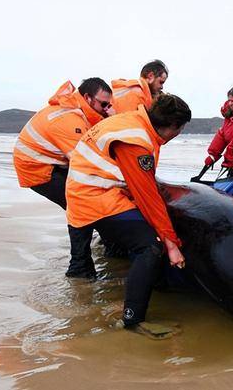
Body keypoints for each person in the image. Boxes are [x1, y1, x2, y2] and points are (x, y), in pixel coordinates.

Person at [64, 94, 191, 334]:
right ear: (173, 126)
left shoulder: (133, 121)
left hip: (89, 192)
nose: (178, 134)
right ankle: (133, 320)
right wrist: (171, 242)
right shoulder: (136, 140)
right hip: (95, 198)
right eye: (180, 129)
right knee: (150, 246)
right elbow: (148, 196)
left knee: (142, 236)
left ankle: (148, 284)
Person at [13, 78, 113, 209]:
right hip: (37, 168)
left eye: (109, 105)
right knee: (82, 205)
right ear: (88, 98)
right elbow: (86, 163)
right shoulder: (71, 121)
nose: (107, 110)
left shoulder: (77, 112)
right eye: (104, 104)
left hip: (49, 162)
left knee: (88, 201)